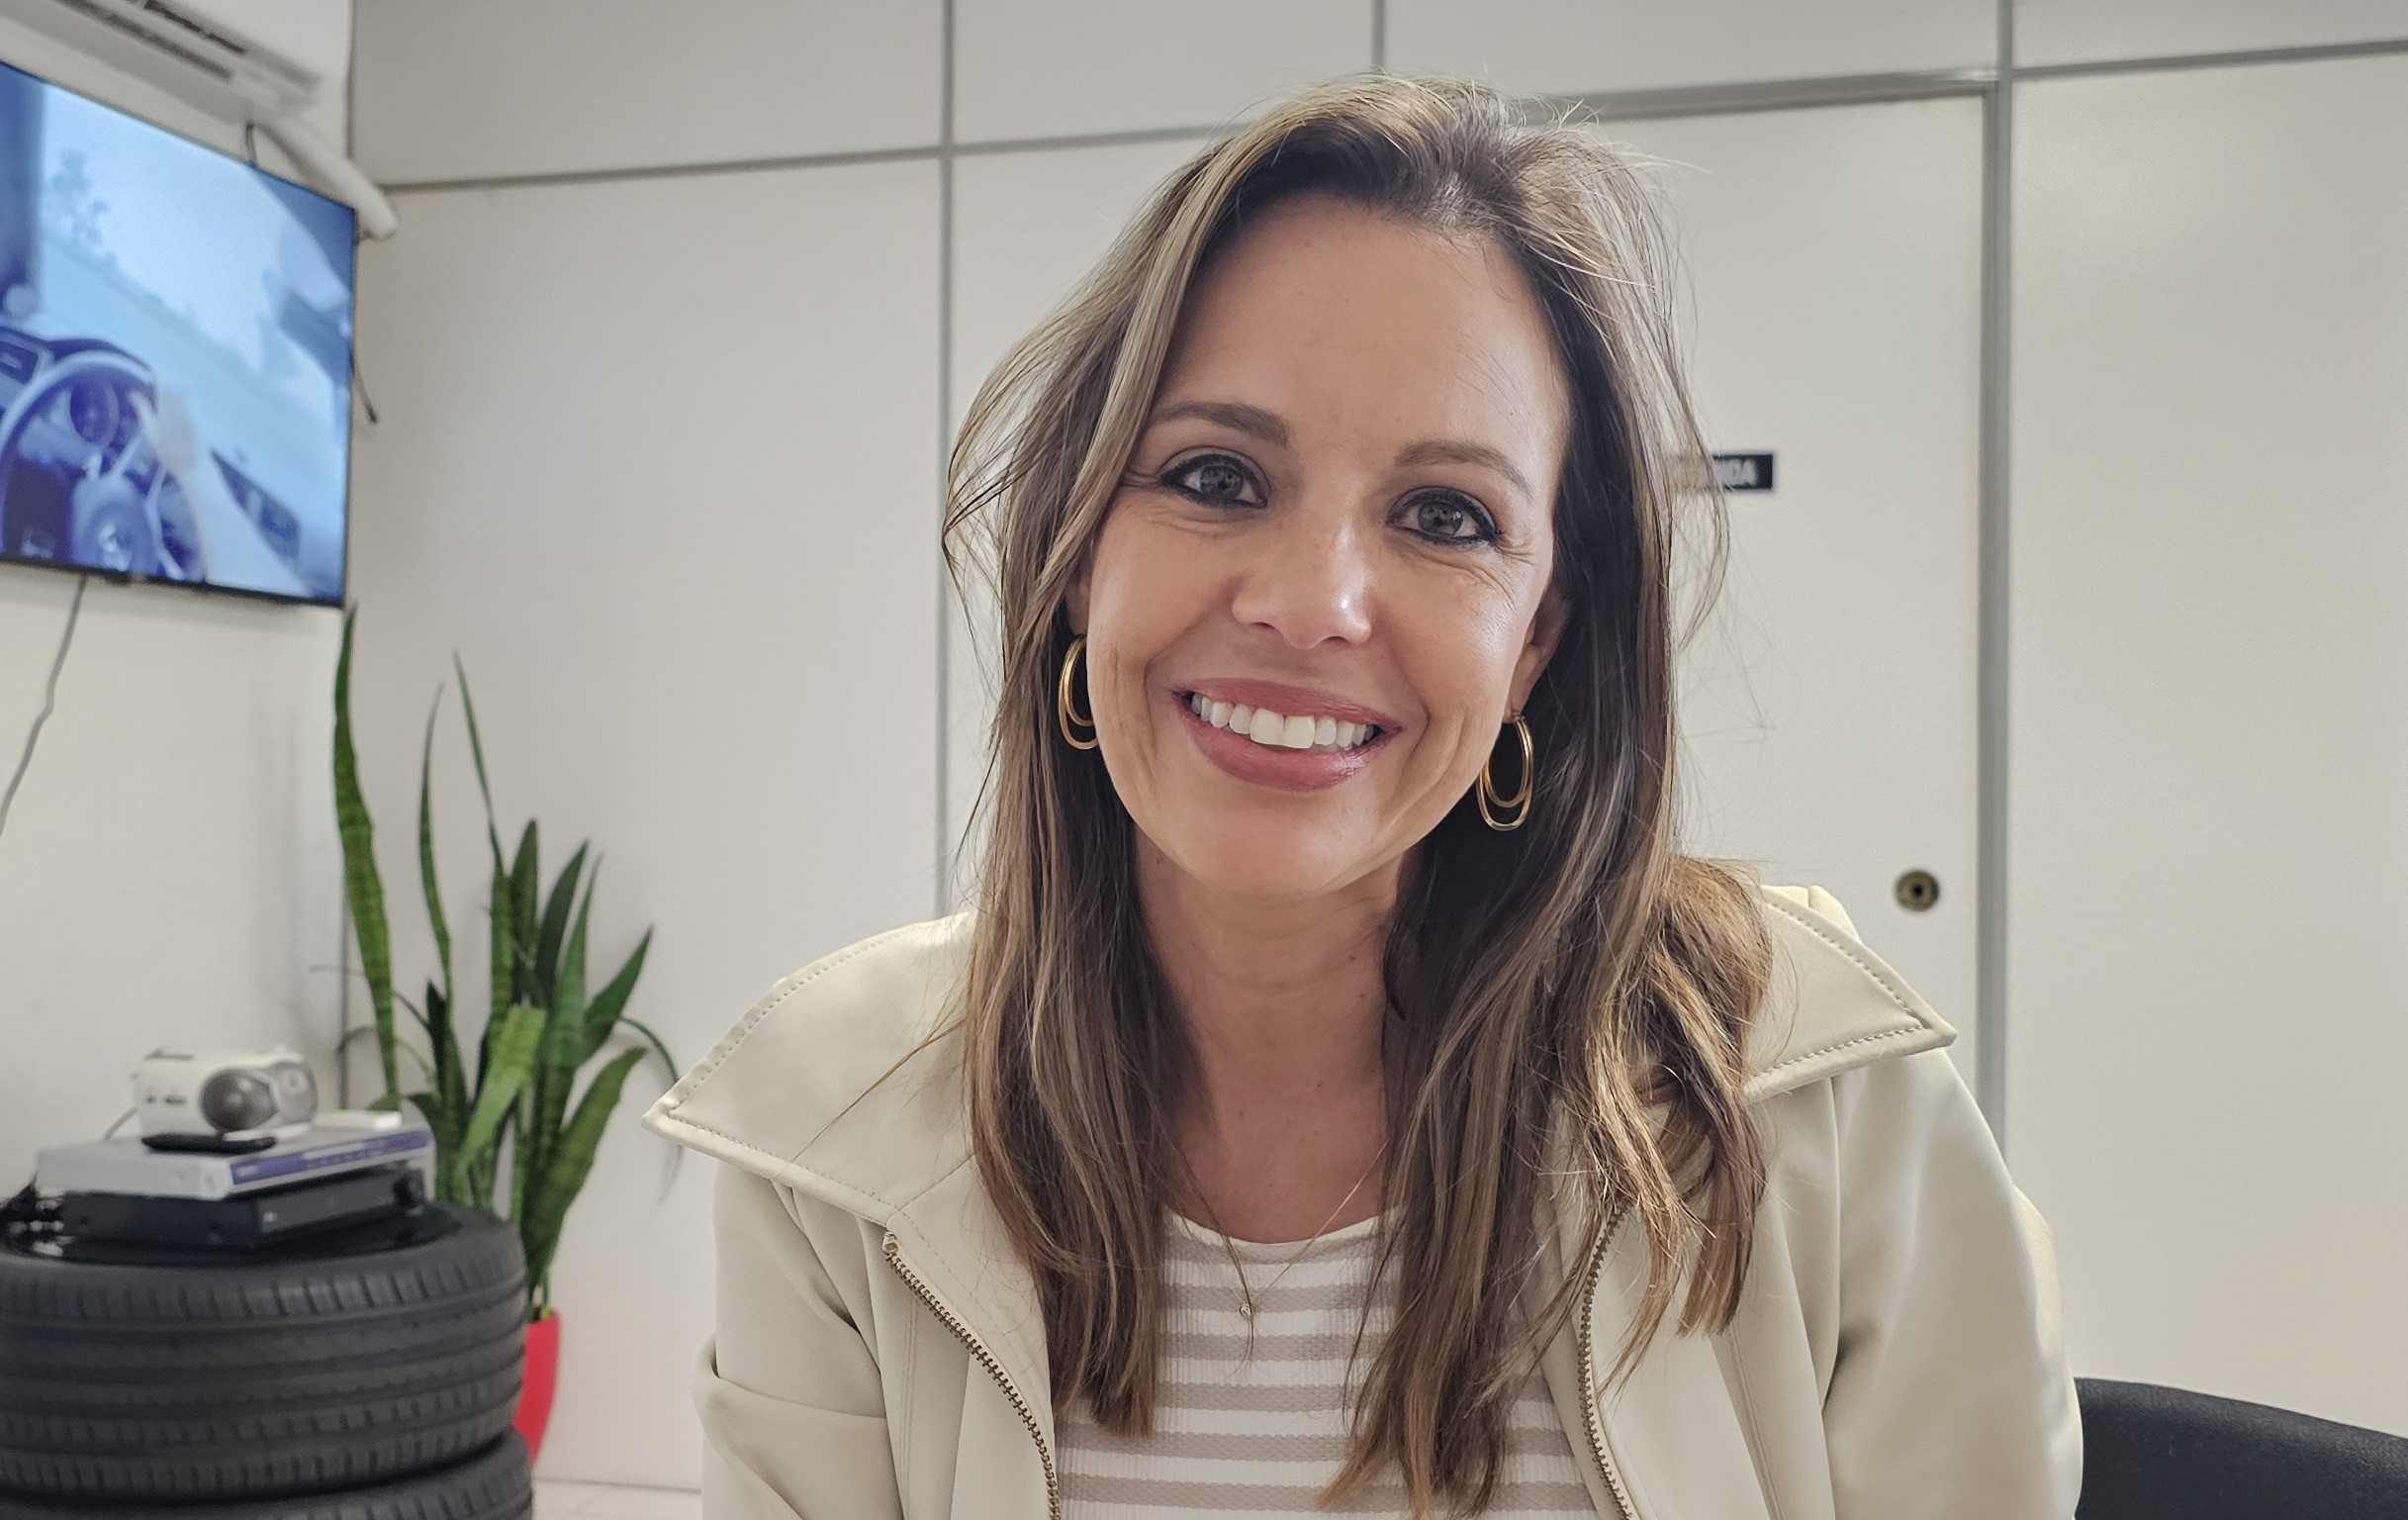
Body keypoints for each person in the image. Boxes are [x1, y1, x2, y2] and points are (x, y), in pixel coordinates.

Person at [642, 72, 2080, 1520]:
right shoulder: (834, 1132)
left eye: (1445, 516)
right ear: (1077, 559)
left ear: (1535, 642)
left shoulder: (1818, 1101)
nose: (1311, 602)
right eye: (1215, 476)